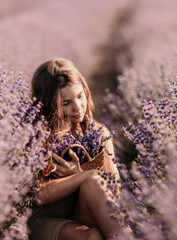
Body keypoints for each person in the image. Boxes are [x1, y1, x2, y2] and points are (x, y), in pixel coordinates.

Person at [27, 58, 124, 240]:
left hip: (85, 210)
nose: (77, 108)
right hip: (48, 218)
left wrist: (82, 173)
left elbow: (115, 189)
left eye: (80, 97)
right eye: (66, 103)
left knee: (92, 180)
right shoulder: (39, 136)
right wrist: (83, 175)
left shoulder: (99, 133)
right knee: (92, 236)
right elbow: (39, 195)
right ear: (49, 104)